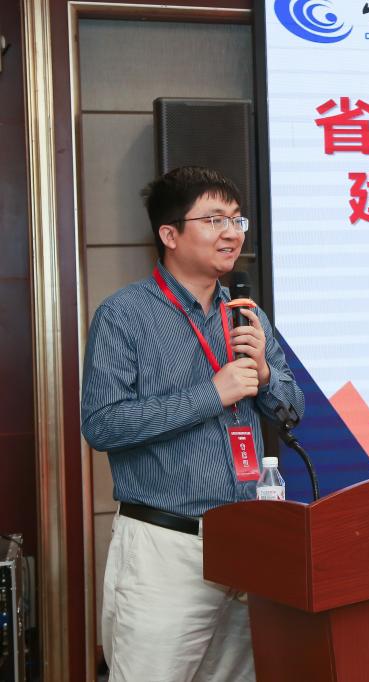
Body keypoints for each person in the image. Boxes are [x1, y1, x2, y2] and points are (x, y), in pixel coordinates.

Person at [81, 166, 304, 681]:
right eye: (214, 219)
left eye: (237, 219)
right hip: (166, 546)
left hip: (248, 541)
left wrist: (265, 376)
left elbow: (293, 411)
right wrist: (212, 394)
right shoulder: (124, 315)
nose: (232, 233)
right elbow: (103, 424)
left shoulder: (246, 314)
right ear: (170, 234)